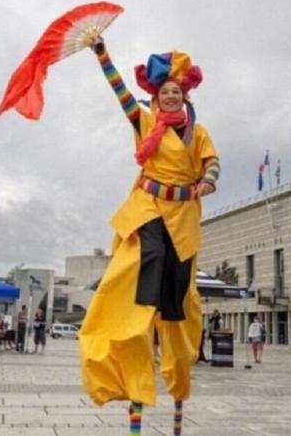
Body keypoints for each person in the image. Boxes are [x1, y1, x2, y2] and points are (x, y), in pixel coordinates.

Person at [78, 36, 220, 435]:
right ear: (157, 97)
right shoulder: (144, 121)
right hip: (149, 209)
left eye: (176, 91)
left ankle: (176, 372)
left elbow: (213, 164)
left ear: (185, 95)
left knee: (176, 306)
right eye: (164, 92)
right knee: (147, 266)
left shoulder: (198, 132)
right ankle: (135, 330)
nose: (171, 97)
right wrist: (102, 53)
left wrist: (208, 181)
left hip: (184, 215)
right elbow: (119, 91)